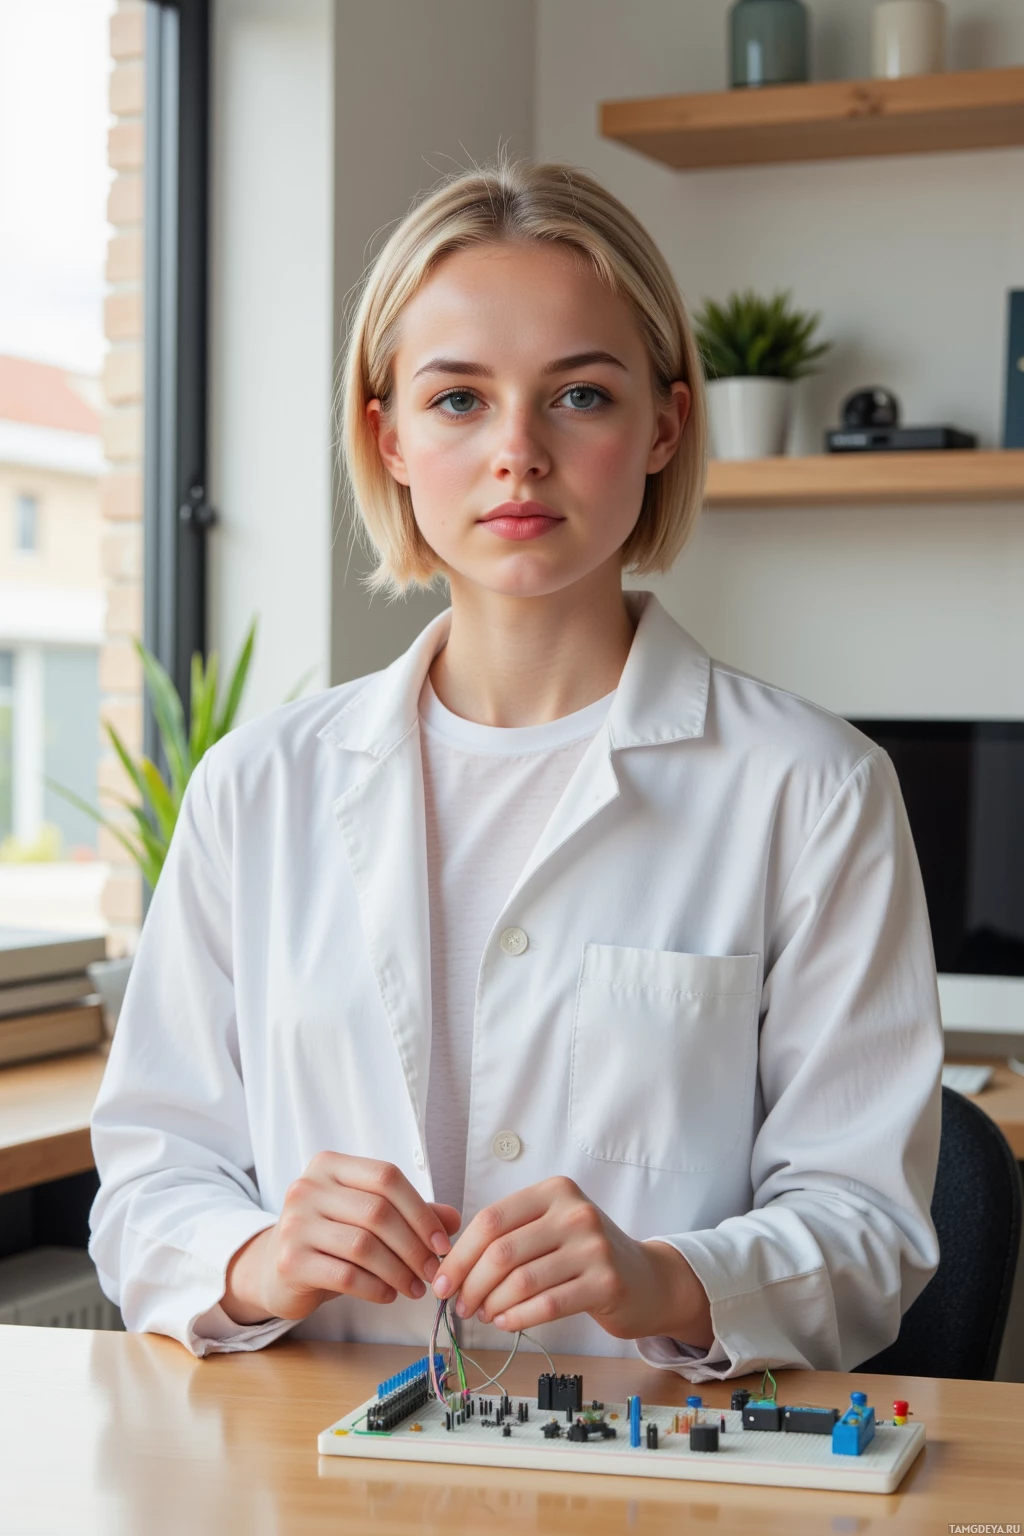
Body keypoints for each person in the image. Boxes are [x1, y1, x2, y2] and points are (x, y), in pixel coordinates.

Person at [89, 158, 942, 1381]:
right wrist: (257, 1257)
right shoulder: (255, 787)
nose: (517, 453)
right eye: (456, 401)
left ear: (664, 425)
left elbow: (868, 1231)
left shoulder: (813, 791)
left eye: (579, 395)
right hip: (311, 1479)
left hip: (654, 1483)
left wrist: (667, 1278)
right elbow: (149, 1185)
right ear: (385, 435)